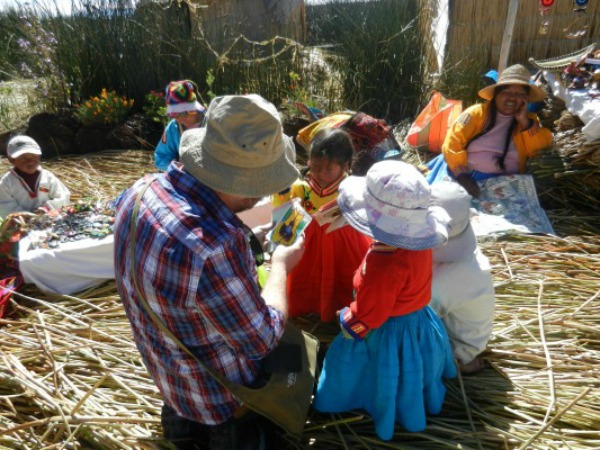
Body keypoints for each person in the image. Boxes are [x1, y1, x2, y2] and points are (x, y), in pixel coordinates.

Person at [113, 94, 304, 450]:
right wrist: (280, 265)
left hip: (171, 383)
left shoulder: (138, 192)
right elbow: (261, 339)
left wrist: (246, 236)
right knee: (295, 360)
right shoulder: (215, 246)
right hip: (223, 402)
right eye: (260, 183)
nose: (261, 195)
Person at [313, 160, 457, 441]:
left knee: (368, 370)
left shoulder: (384, 265)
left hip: (390, 332)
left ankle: (368, 405)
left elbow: (371, 314)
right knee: (411, 373)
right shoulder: (416, 241)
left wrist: (348, 319)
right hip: (418, 321)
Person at [271, 128, 371, 322]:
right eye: (315, 167)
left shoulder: (352, 188)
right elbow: (280, 209)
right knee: (307, 276)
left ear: (344, 166)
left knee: (341, 276)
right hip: (308, 244)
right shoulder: (300, 187)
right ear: (309, 161)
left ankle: (338, 311)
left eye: (329, 169)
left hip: (343, 243)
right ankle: (309, 307)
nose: (320, 173)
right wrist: (283, 194)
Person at [426, 64, 553, 197]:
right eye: (507, 92)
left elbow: (540, 150)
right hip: (466, 176)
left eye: (519, 94)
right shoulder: (476, 114)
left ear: (525, 99)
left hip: (505, 186)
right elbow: (452, 143)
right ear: (496, 95)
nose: (512, 98)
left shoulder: (529, 121)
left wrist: (525, 122)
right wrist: (462, 176)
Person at [430, 181, 495, 375]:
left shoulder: (450, 277)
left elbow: (413, 312)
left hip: (458, 347)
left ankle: (460, 365)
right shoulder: (465, 255)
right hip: (454, 324)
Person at [0, 135, 71, 219]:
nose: (30, 162)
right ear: (11, 160)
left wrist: (47, 208)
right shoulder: (5, 183)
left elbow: (64, 197)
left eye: (34, 157)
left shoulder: (47, 177)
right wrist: (28, 216)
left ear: (39, 156)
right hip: (22, 226)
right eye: (23, 158)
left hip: (51, 219)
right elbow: (5, 208)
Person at [154, 79, 207, 171]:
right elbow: (161, 158)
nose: (180, 119)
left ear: (195, 109)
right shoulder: (173, 127)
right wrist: (176, 168)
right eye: (174, 115)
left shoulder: (212, 124)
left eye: (183, 113)